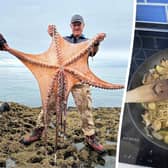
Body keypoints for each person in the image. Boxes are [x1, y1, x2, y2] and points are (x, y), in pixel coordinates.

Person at [0, 14, 106, 153]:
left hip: (79, 80)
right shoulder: (64, 40)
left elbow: (92, 52)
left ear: (83, 26)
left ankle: (90, 137)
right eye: (74, 24)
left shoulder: (87, 42)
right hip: (61, 79)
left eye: (79, 24)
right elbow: (56, 48)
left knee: (85, 107)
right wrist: (53, 35)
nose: (76, 26)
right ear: (71, 26)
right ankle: (38, 131)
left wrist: (97, 41)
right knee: (48, 104)